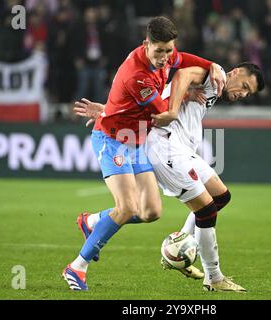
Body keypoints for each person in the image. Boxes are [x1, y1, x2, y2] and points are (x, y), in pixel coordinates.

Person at [62, 16, 225, 291]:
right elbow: (164, 114)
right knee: (126, 208)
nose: (164, 58)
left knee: (151, 212)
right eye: (158, 51)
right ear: (145, 45)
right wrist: (185, 95)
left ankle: (92, 221)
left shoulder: (165, 57)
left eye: (168, 50)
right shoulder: (138, 75)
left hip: (136, 140)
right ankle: (77, 267)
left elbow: (182, 59)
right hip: (113, 140)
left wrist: (212, 66)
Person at [79, 62, 265, 292]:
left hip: (181, 146)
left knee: (221, 197)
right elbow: (183, 74)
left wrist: (112, 109)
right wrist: (173, 111)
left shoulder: (214, 88)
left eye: (248, 93)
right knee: (206, 211)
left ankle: (178, 246)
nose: (243, 94)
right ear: (235, 72)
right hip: (165, 146)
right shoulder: (212, 75)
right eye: (244, 86)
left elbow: (161, 93)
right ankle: (214, 277)